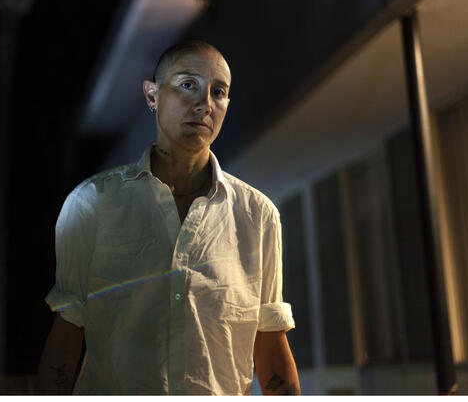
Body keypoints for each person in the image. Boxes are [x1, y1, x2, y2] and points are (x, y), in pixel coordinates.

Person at [35, 40, 299, 395]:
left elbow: (271, 346)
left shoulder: (258, 216)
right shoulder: (91, 204)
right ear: (152, 95)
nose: (205, 104)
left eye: (218, 92)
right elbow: (66, 337)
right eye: (188, 84)